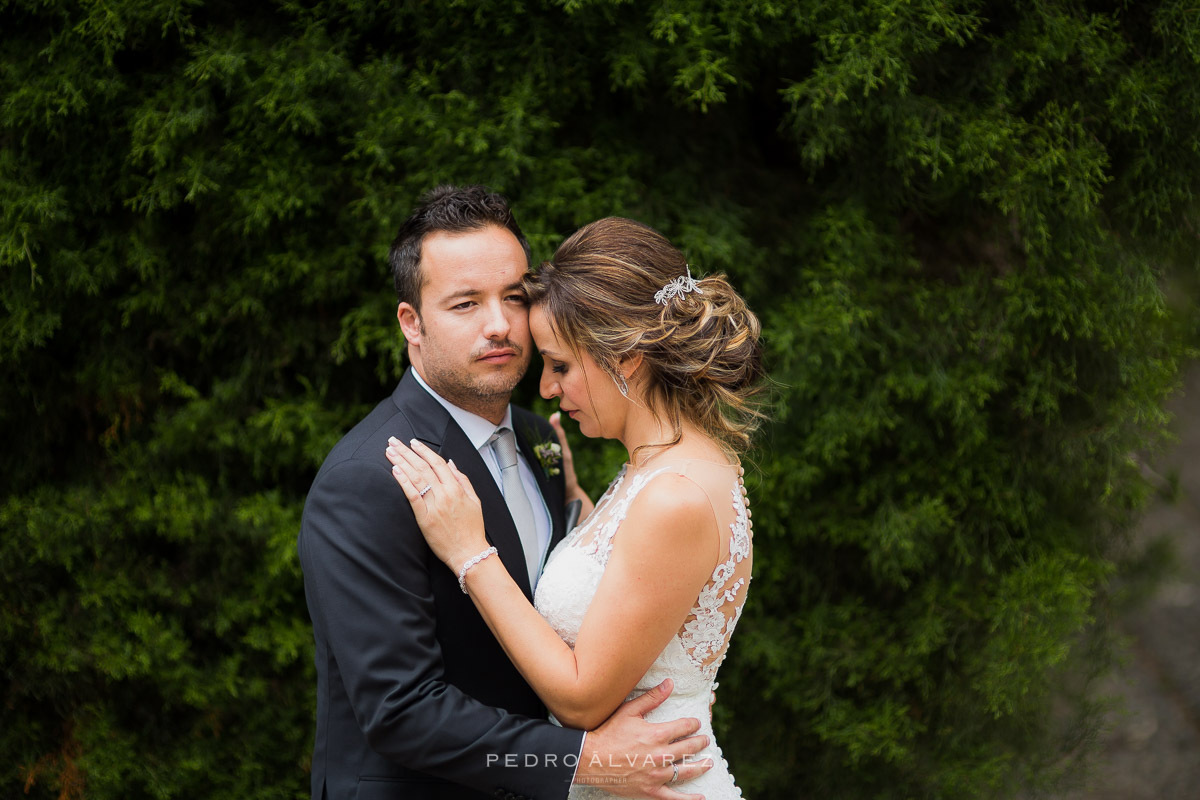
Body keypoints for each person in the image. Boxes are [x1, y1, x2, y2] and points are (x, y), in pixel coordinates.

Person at [298, 189, 714, 800]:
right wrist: (583, 761)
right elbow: (402, 711)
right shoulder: (368, 479)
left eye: (514, 298)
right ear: (411, 323)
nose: (498, 325)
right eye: (465, 304)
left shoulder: (540, 440)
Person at [387, 216, 764, 800]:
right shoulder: (654, 469)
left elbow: (582, 696)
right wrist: (567, 499)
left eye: (560, 366)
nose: (545, 389)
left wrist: (470, 551)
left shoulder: (674, 494)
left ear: (628, 359)